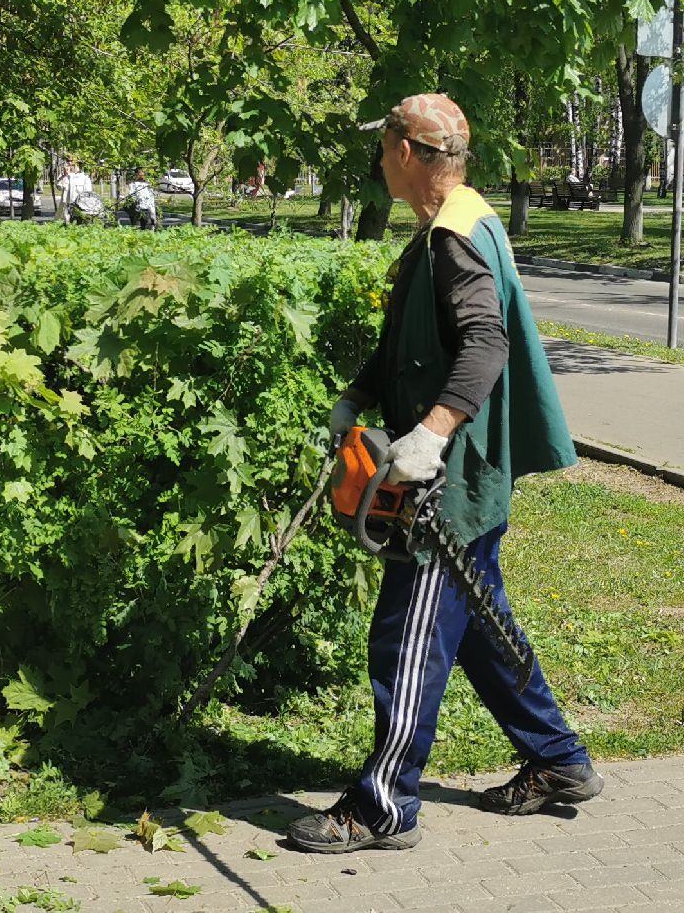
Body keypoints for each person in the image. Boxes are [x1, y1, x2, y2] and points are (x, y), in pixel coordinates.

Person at [287, 93, 597, 855]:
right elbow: (409, 337)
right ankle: (558, 760)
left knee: (408, 639)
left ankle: (383, 806)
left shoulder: (454, 238)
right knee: (478, 628)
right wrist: (358, 395)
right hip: (462, 474)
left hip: (446, 485)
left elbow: (483, 343)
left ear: (401, 151)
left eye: (381, 146)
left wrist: (430, 433)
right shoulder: (450, 224)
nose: (377, 160)